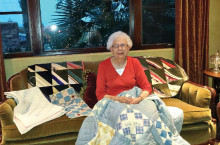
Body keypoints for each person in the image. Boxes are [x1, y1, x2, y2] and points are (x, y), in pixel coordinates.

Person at [96, 31, 152, 104]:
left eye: (123, 45)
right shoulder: (103, 65)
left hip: (134, 100)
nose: (120, 48)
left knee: (152, 109)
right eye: (116, 46)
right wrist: (118, 99)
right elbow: (100, 94)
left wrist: (139, 99)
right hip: (113, 102)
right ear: (111, 49)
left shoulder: (135, 62)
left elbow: (146, 87)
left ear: (128, 47)